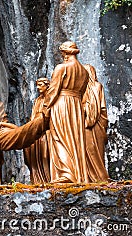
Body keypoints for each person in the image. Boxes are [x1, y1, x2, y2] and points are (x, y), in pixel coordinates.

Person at [43, 41, 89, 183]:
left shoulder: (61, 68)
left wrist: (45, 107)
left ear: (65, 52)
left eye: (62, 52)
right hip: (76, 105)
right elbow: (82, 92)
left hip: (61, 103)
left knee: (60, 136)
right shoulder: (84, 72)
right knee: (75, 139)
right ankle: (78, 174)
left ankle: (66, 174)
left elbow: (54, 89)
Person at [83, 64, 110, 182]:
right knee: (86, 149)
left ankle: (100, 177)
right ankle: (87, 176)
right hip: (84, 122)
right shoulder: (81, 89)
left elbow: (101, 106)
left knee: (97, 150)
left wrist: (90, 112)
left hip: (97, 122)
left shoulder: (97, 86)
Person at [23, 77, 51, 184]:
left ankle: (47, 178)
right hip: (35, 130)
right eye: (37, 85)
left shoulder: (50, 98)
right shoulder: (38, 100)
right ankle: (36, 179)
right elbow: (33, 116)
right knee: (28, 147)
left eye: (40, 85)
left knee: (44, 150)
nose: (38, 87)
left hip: (46, 131)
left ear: (47, 85)